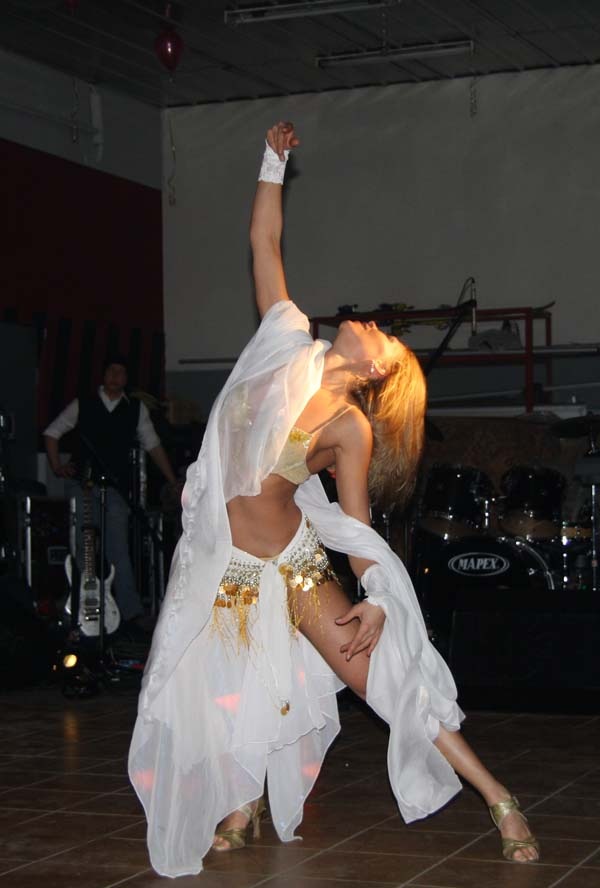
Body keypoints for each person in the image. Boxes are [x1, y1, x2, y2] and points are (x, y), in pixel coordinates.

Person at [128, 123, 540, 877]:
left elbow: (356, 529)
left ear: (377, 373)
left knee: (383, 679)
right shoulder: (284, 342)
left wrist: (376, 596)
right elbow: (263, 243)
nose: (372, 325)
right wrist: (273, 160)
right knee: (209, 690)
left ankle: (498, 797)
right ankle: (243, 801)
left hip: (291, 567)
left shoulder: (350, 429)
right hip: (221, 563)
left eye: (384, 338)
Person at [44, 356, 178, 627]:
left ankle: (130, 611)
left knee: (119, 549)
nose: (116, 376)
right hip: (83, 485)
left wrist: (172, 479)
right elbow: (52, 432)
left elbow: (153, 445)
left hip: (116, 488)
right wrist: (57, 466)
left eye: (121, 372)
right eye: (111, 371)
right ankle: (80, 606)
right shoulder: (83, 403)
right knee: (84, 546)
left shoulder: (135, 409)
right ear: (103, 375)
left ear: (126, 379)